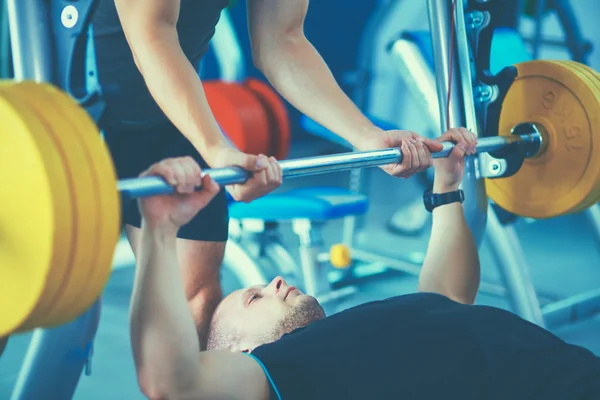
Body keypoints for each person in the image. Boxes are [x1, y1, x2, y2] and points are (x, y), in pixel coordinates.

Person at [129, 128, 600, 400]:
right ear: (239, 356)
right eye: (254, 298)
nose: (274, 280)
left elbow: (447, 297)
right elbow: (172, 382)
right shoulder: (281, 373)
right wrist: (158, 232)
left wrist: (448, 184)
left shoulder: (355, 340)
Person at [92, 0, 444, 348]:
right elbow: (152, 34)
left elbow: (282, 39)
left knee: (194, 307)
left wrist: (365, 137)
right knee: (68, 313)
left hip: (158, 119)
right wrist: (216, 148)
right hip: (69, 110)